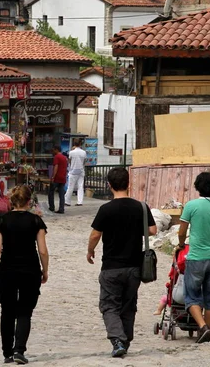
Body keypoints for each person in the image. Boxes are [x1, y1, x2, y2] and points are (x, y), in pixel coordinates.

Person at [87, 167, 157, 357]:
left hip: (111, 266)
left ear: (109, 185)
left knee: (109, 305)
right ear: (129, 183)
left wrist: (90, 250)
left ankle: (117, 340)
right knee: (128, 304)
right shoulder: (140, 207)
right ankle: (125, 341)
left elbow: (95, 234)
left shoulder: (106, 209)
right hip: (134, 266)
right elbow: (152, 230)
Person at [0, 185, 49, 365]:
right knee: (25, 311)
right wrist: (45, 270)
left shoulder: (1, 221)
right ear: (29, 201)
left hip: (7, 271)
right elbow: (43, 251)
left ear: (12, 201)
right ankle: (19, 350)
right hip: (30, 271)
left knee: (7, 311)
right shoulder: (36, 221)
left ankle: (7, 352)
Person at [178, 172, 210, 344]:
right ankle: (206, 331)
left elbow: (182, 231)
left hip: (196, 258)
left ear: (198, 187)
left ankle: (203, 327)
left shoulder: (191, 206)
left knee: (191, 295)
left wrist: (180, 244)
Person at [65, 140, 87, 207]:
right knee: (80, 186)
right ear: (80, 144)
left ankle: (67, 202)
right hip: (81, 171)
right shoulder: (84, 152)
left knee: (70, 187)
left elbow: (69, 161)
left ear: (74, 144)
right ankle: (80, 202)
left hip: (73, 171)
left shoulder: (71, 152)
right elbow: (84, 161)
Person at [48, 145, 67, 214]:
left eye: (53, 150)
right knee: (61, 194)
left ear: (56, 150)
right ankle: (61, 208)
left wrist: (53, 176)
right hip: (63, 177)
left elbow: (56, 167)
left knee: (51, 192)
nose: (52, 152)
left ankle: (51, 207)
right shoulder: (64, 157)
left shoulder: (57, 157)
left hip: (57, 177)